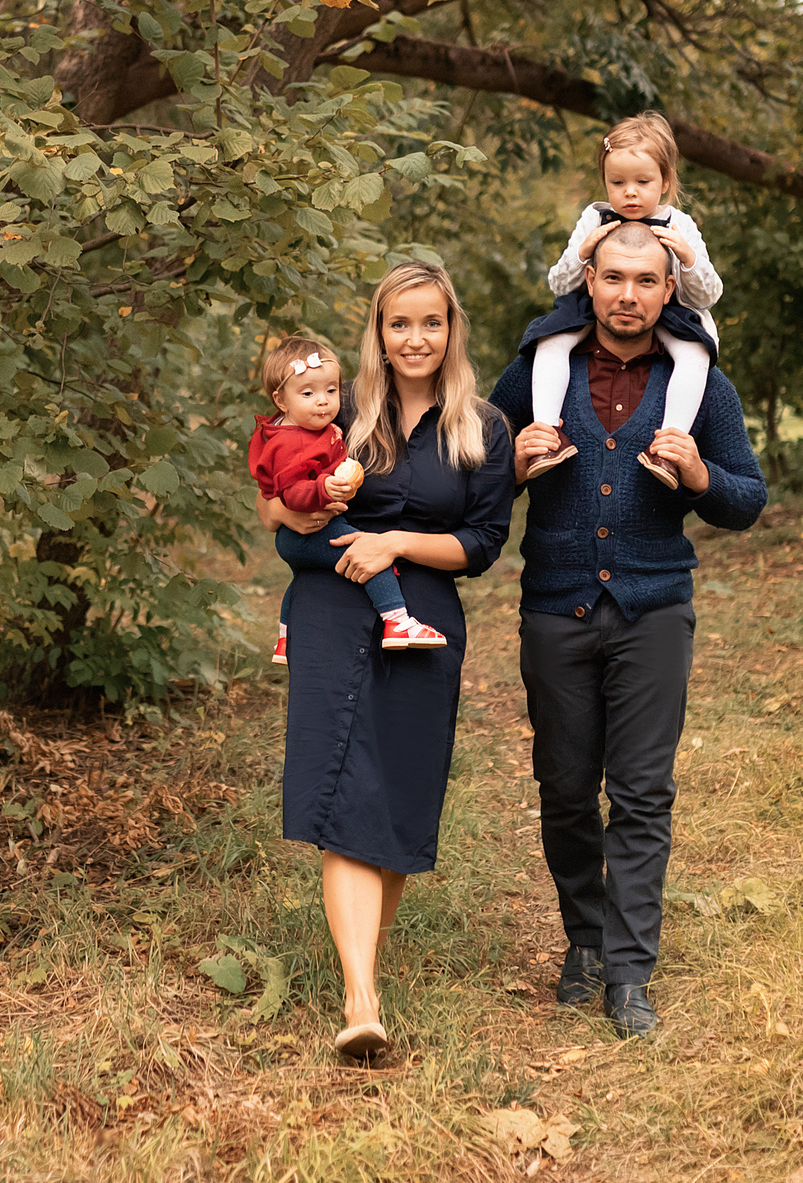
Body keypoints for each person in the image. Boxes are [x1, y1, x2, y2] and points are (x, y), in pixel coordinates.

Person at [488, 221, 765, 1038]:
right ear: (588, 280)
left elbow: (747, 498)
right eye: (614, 277)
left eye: (646, 281)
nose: (628, 295)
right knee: (566, 786)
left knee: (642, 793)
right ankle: (583, 940)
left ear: (668, 290)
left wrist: (699, 475)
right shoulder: (540, 373)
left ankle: (629, 970)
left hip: (653, 610)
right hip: (555, 605)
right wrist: (511, 466)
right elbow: (465, 472)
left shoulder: (699, 382)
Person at [259, 262, 513, 1060]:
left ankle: (363, 969)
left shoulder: (482, 427)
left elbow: (482, 544)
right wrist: (304, 512)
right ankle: (360, 996)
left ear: (451, 329)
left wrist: (396, 539)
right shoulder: (338, 414)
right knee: (344, 787)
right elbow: (275, 503)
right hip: (337, 610)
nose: (415, 338)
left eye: (430, 322)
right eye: (399, 323)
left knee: (397, 794)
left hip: (423, 615)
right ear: (378, 330)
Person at [518, 112, 723, 490]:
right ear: (605, 182)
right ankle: (546, 437)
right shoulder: (593, 218)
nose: (630, 192)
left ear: (664, 182)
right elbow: (560, 285)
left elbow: (707, 295)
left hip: (669, 311)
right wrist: (583, 252)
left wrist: (688, 259)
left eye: (642, 182)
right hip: (595, 309)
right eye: (618, 182)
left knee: (696, 356)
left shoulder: (681, 225)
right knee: (549, 341)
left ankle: (669, 448)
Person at [247, 332, 449, 665]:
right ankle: (398, 623)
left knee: (302, 578)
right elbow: (289, 492)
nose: (323, 401)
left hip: (302, 535)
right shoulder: (288, 443)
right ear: (281, 401)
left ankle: (286, 639)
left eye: (330, 391)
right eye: (309, 393)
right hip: (304, 530)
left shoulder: (311, 428)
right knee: (367, 555)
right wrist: (322, 489)